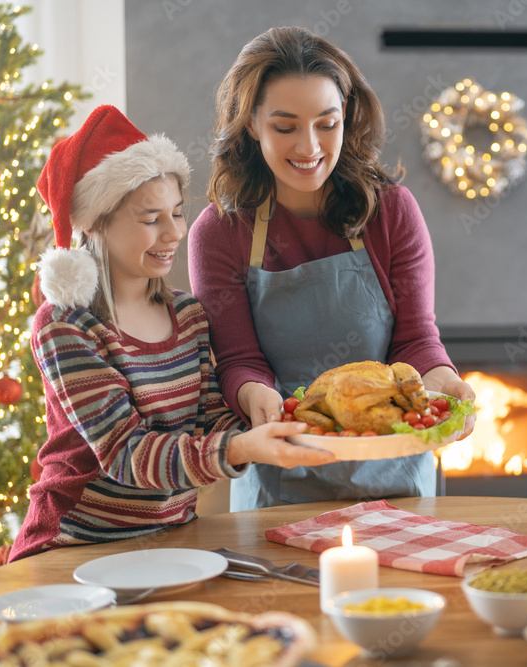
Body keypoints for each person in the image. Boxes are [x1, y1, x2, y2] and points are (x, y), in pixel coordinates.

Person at [10, 105, 334, 561]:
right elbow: (126, 454)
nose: (175, 233)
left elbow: (207, 419)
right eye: (151, 219)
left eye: (178, 213)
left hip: (170, 538)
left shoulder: (187, 314)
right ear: (95, 223)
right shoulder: (66, 326)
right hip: (74, 547)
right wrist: (242, 446)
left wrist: (272, 421)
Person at [188, 27, 475, 510]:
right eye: (286, 127)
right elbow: (239, 358)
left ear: (347, 118)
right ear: (251, 124)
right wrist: (254, 393)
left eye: (327, 123)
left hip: (396, 479)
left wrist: (444, 380)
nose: (310, 146)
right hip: (281, 478)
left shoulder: (392, 213)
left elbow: (415, 340)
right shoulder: (220, 233)